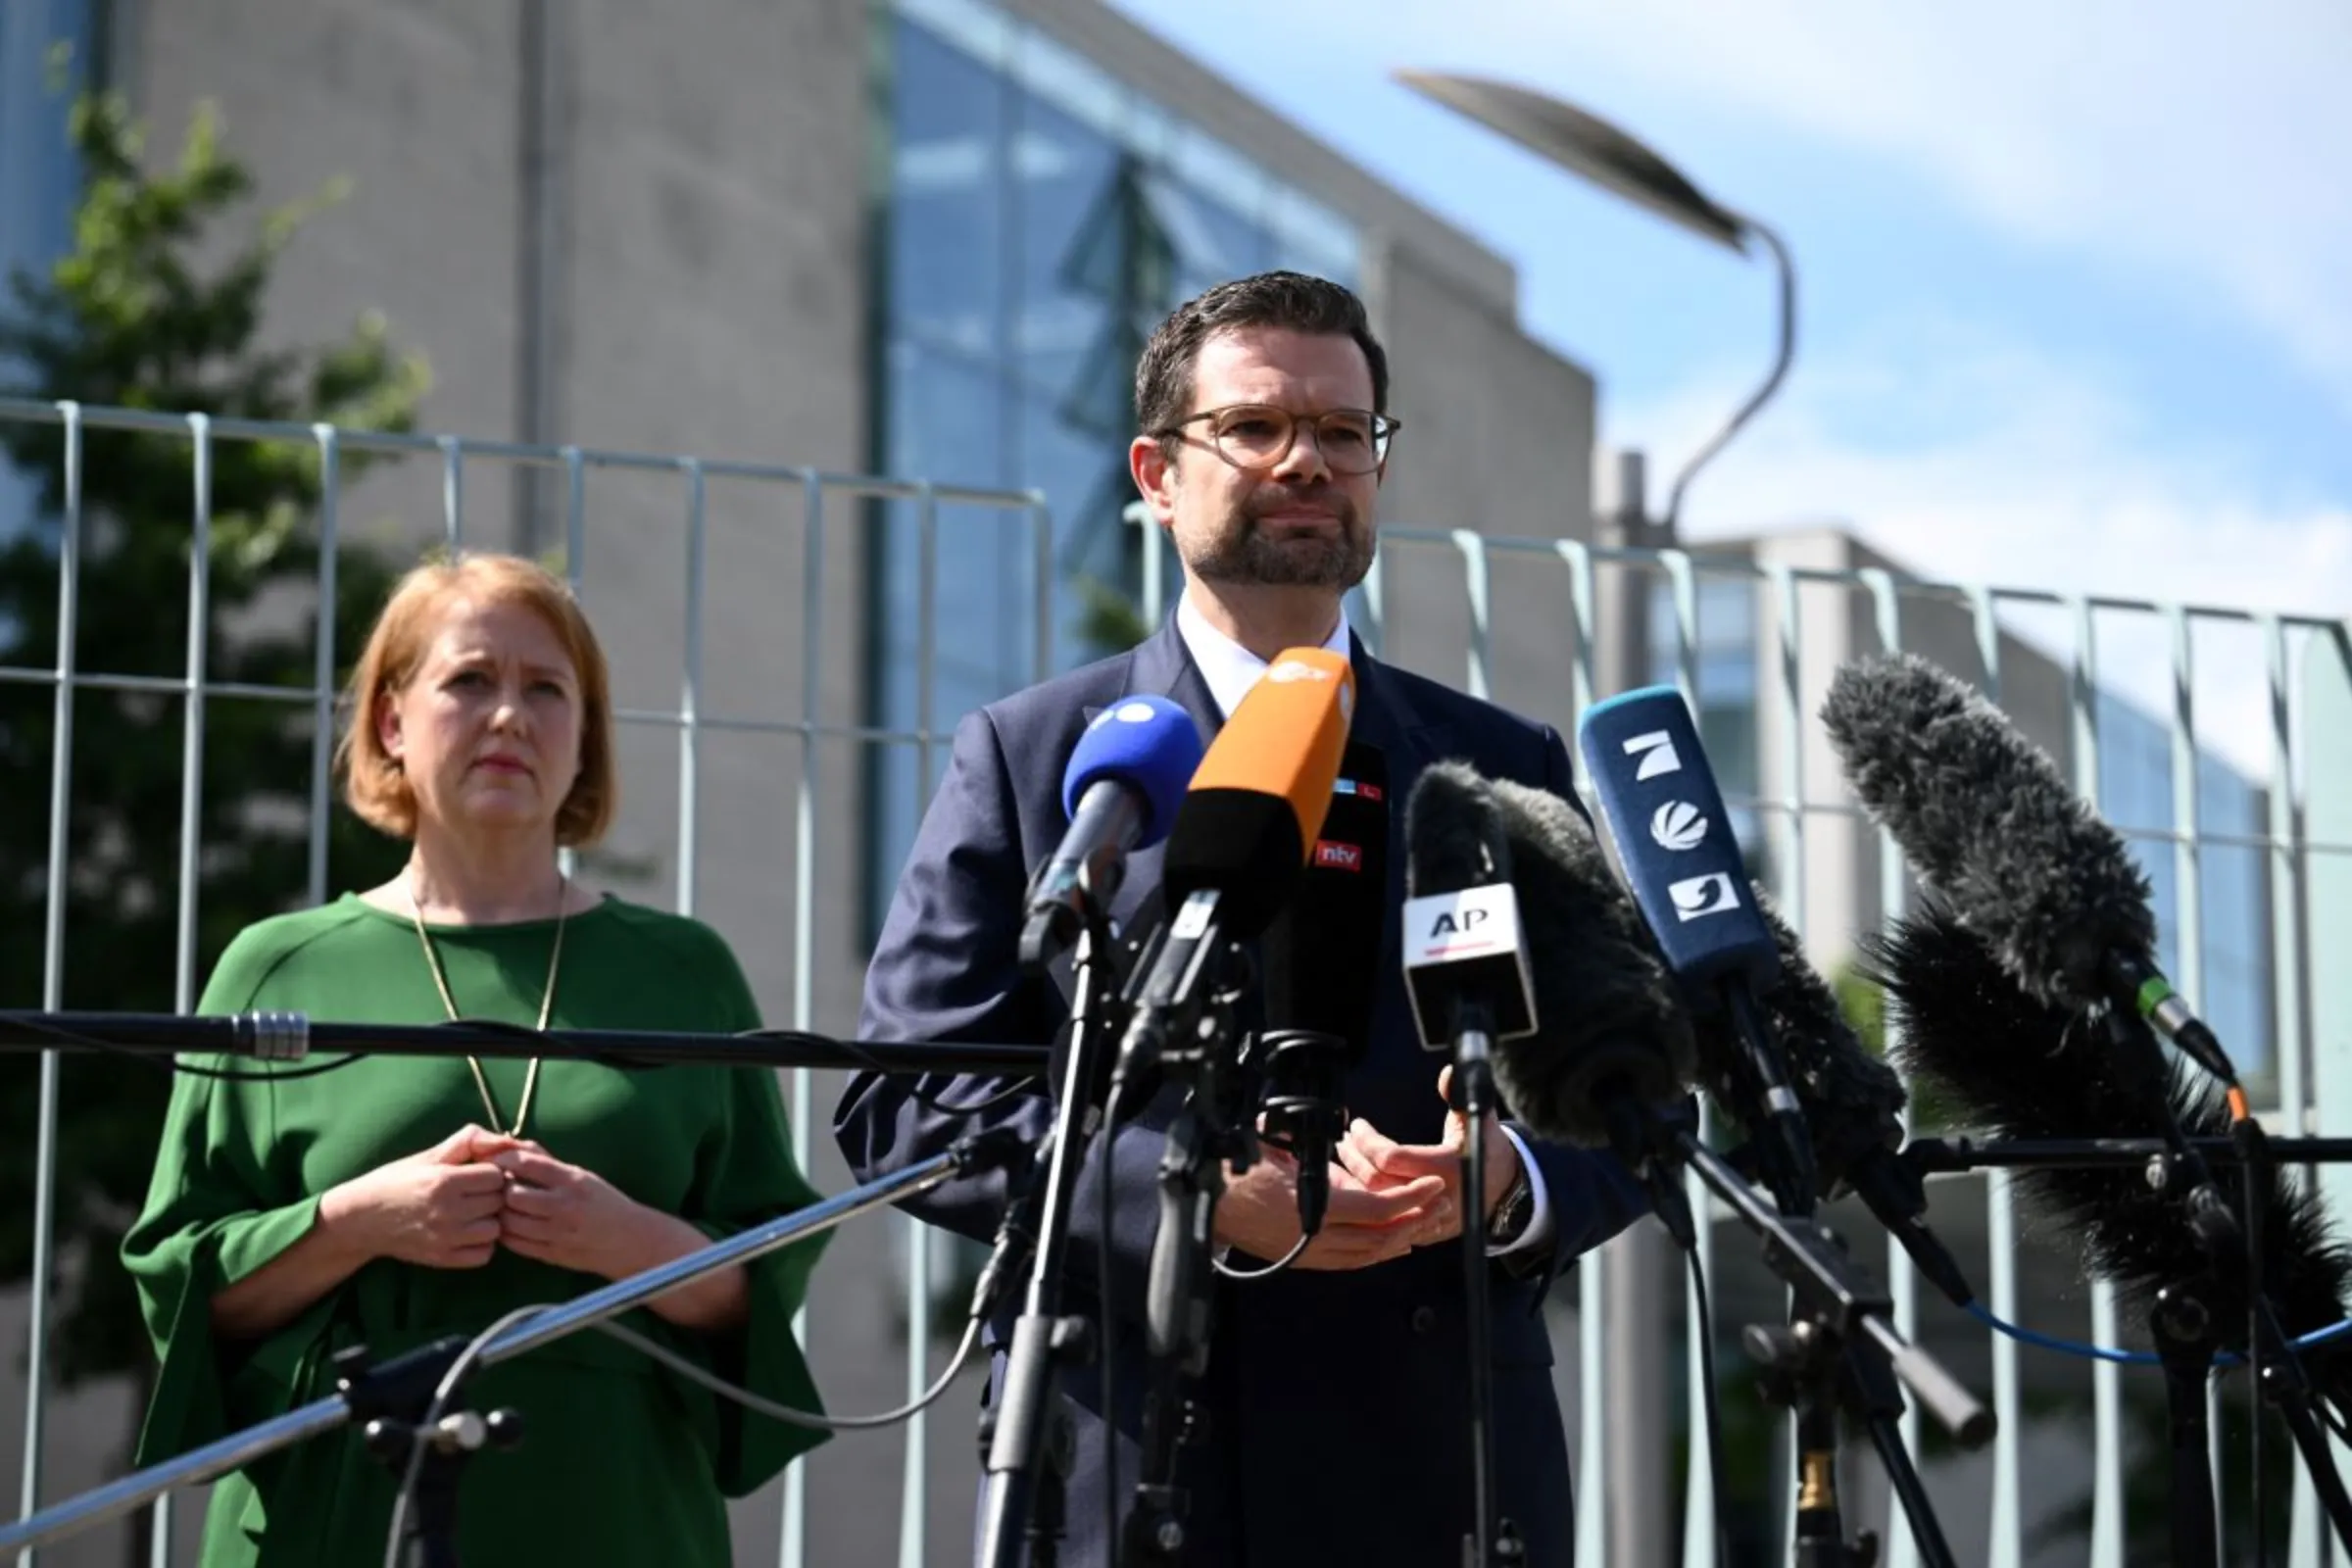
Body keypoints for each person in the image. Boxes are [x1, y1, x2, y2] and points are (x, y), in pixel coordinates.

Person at [837, 271, 1652, 1566]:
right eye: (1259, 428)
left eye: (1344, 434)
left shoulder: (1499, 763)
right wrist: (1191, 1202)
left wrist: (1505, 1178)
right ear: (1157, 473)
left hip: (1443, 1466)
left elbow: (1641, 1101)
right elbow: (908, 1102)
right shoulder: (1038, 754)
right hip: (1134, 1458)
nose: (1309, 464)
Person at [122, 550, 831, 1567]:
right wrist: (359, 1220)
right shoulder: (276, 965)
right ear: (390, 722)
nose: (510, 716)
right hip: (342, 1513)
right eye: (469, 680)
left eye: (548, 689)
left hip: (613, 1514)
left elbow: (761, 1290)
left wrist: (621, 1236)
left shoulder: (685, 973)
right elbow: (183, 1295)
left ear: (584, 740)